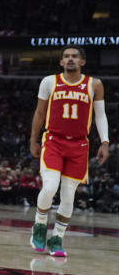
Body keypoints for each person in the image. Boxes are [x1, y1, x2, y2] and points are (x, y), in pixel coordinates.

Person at [29, 46, 109, 257]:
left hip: (79, 145)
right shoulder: (49, 82)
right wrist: (33, 140)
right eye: (66, 56)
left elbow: (100, 116)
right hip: (54, 141)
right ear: (61, 62)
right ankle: (39, 225)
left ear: (82, 62)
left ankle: (57, 239)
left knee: (68, 196)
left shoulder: (94, 84)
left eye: (74, 56)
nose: (70, 59)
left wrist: (105, 142)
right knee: (50, 187)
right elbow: (39, 113)